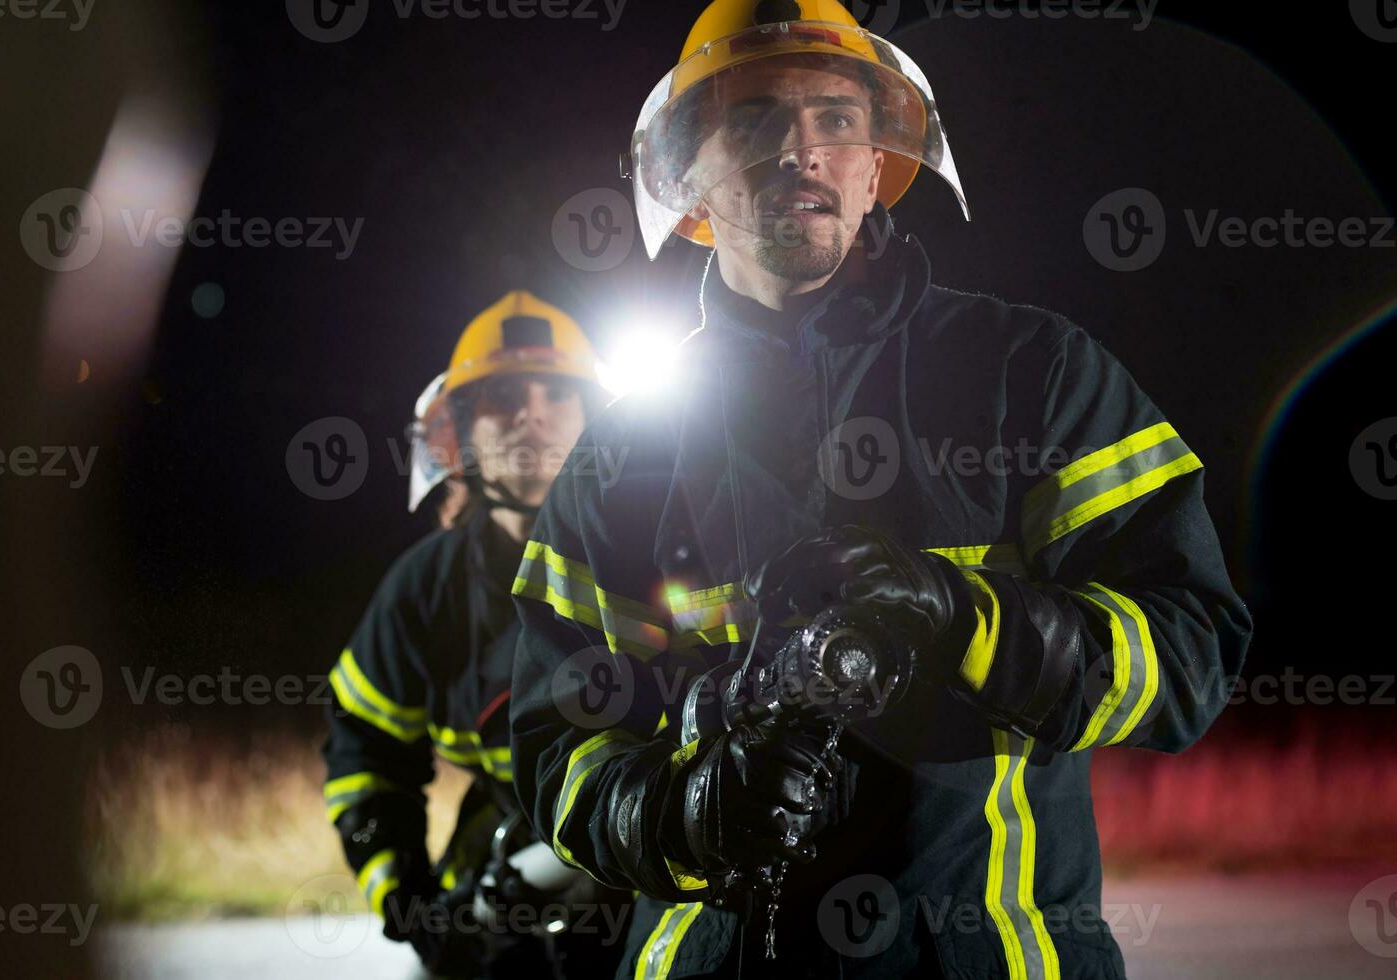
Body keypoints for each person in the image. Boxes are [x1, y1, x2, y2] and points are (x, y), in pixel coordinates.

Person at [508, 2, 1252, 977]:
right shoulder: (624, 451)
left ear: (876, 162)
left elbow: (1190, 655)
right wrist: (681, 810)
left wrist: (962, 617)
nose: (801, 149)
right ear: (689, 172)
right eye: (756, 117)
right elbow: (562, 744)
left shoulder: (1031, 376)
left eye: (837, 118)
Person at [322, 291, 631, 979]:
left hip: (645, 851)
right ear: (457, 433)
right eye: (500, 396)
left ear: (598, 422)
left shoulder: (666, 556)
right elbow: (364, 751)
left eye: (557, 391)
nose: (532, 414)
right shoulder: (425, 590)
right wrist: (408, 901)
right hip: (504, 852)